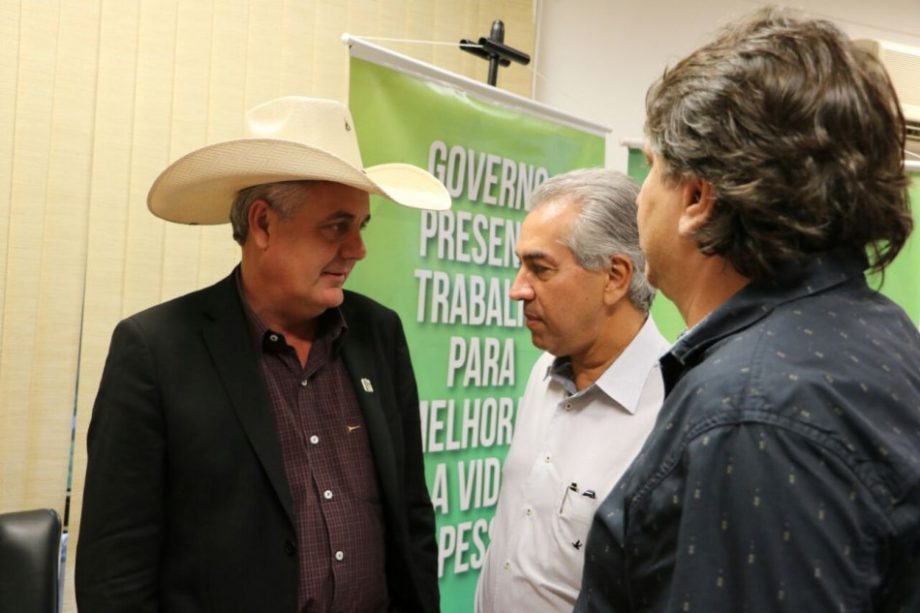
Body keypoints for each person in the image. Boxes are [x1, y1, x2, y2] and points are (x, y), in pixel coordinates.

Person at [577, 8, 920, 613]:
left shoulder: (748, 413)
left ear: (696, 198)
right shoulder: (881, 332)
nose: (640, 197)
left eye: (652, 168)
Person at [75, 97, 450, 613]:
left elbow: (411, 515)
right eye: (336, 226)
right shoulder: (158, 350)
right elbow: (115, 569)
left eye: (361, 226)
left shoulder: (378, 333)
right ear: (263, 224)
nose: (358, 249)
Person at [475, 168, 671, 612]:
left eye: (540, 269)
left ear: (615, 277)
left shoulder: (674, 407)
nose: (517, 290)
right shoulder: (544, 372)